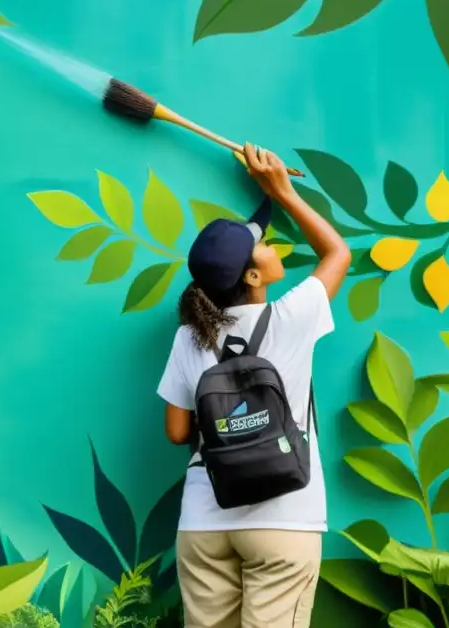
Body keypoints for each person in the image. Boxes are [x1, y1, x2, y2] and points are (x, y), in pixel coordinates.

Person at [156, 143, 352, 628]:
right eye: (262, 244)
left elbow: (178, 433)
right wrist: (282, 191)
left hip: (204, 520)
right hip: (284, 517)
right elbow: (338, 252)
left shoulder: (188, 336)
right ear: (252, 273)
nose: (271, 245)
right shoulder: (292, 317)